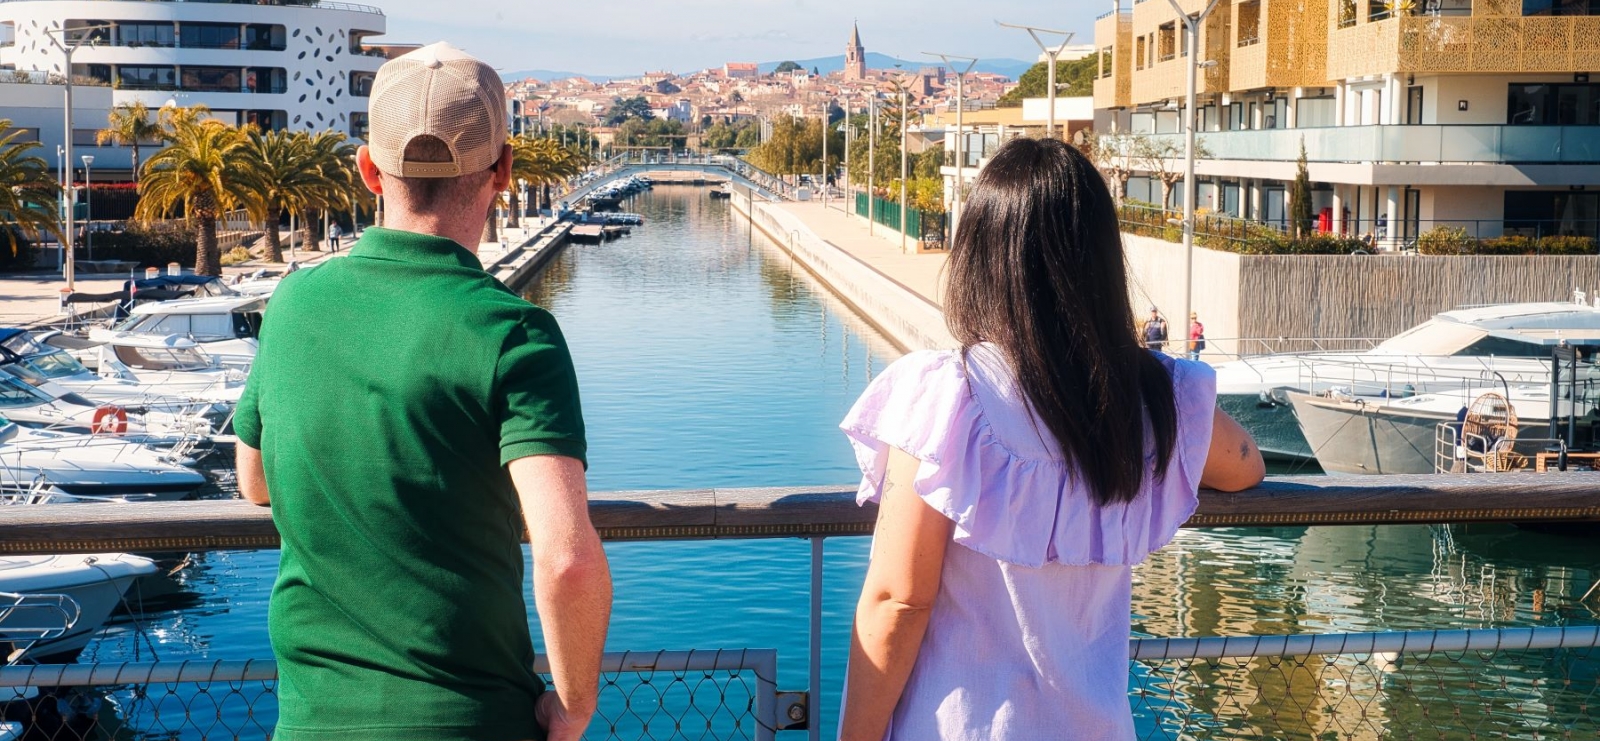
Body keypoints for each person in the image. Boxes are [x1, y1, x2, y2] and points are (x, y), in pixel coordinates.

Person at [234, 42, 611, 741]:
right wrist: (575, 704)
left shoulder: (292, 306)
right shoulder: (513, 334)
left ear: (369, 170)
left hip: (311, 723)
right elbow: (567, 556)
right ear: (502, 171)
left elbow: (254, 481)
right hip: (472, 722)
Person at [836, 138, 1264, 741]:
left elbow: (898, 601)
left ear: (979, 255)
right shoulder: (1154, 395)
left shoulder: (944, 396)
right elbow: (1244, 467)